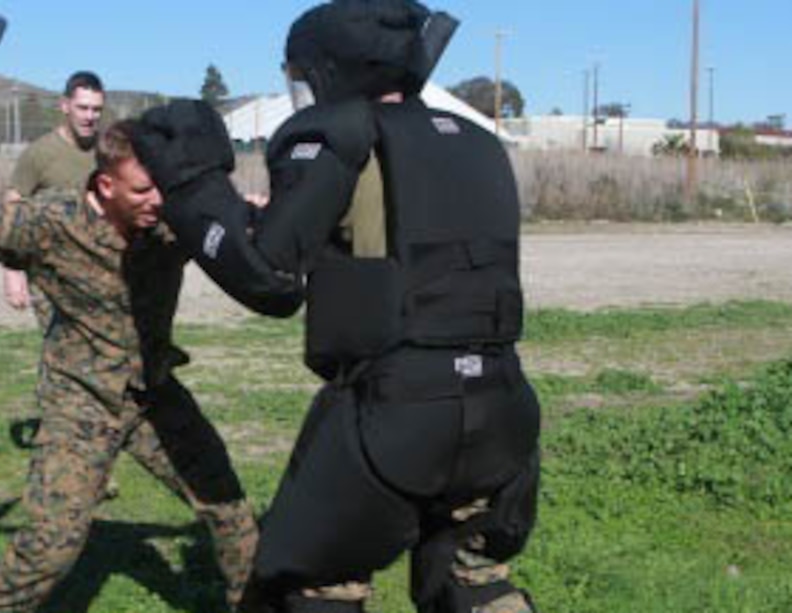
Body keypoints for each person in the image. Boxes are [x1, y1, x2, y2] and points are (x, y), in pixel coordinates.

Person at [128, 1, 540, 612]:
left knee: (315, 586)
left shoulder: (340, 134)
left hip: (396, 412)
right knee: (473, 583)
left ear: (324, 70)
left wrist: (194, 188)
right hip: (503, 411)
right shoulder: (477, 144)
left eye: (297, 75)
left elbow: (268, 277)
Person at [0, 120, 258, 613]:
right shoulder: (51, 221)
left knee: (230, 513)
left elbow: (237, 233)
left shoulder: (171, 219)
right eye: (142, 190)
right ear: (106, 184)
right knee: (49, 547)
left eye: (160, 188)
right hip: (80, 403)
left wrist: (257, 216)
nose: (155, 200)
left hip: (155, 395)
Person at [1, 70, 105, 323]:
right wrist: (12, 272)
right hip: (52, 275)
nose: (90, 116)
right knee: (63, 354)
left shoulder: (109, 151)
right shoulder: (39, 154)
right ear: (65, 106)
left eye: (96, 109)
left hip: (102, 272)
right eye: (83, 108)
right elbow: (13, 210)